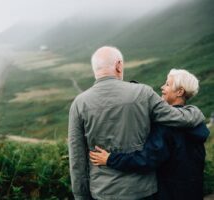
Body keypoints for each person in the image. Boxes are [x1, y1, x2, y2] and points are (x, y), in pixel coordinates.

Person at [68, 46, 205, 200]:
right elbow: (179, 118)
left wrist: (81, 196)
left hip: (102, 192)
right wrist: (195, 112)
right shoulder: (143, 93)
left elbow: (77, 159)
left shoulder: (79, 104)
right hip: (144, 191)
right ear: (119, 65)